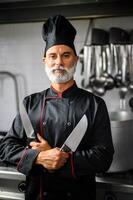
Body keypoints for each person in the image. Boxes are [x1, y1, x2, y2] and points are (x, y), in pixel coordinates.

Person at [0, 15, 114, 200]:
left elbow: (104, 157)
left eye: (66, 55)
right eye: (53, 56)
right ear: (44, 60)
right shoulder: (30, 104)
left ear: (76, 60)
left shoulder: (94, 105)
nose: (59, 62)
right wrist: (39, 157)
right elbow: (6, 147)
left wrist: (60, 159)